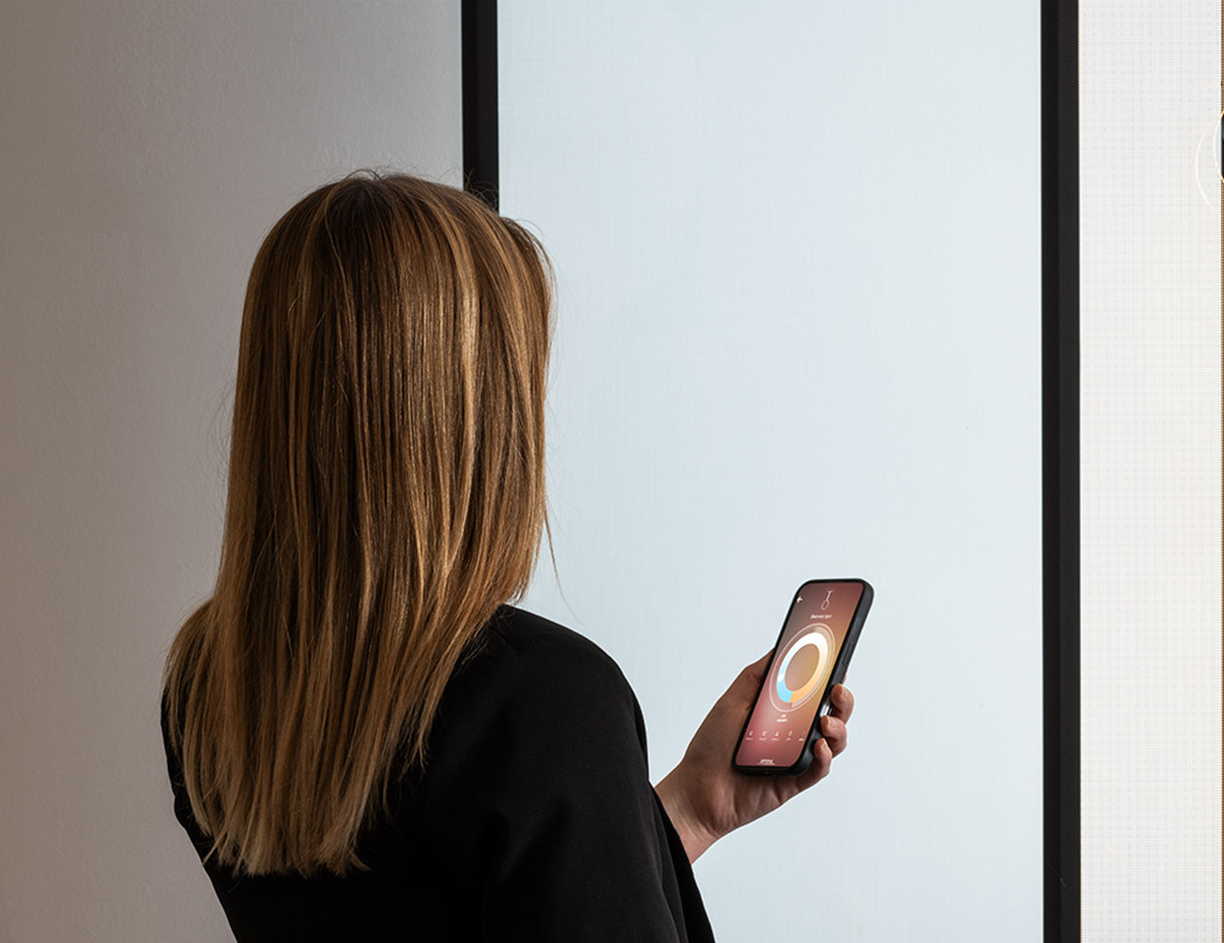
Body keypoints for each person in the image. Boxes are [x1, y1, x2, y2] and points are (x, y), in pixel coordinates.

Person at [160, 172, 853, 941]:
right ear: (477, 420)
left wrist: (686, 807)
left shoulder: (211, 692)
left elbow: (443, 902)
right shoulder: (543, 702)